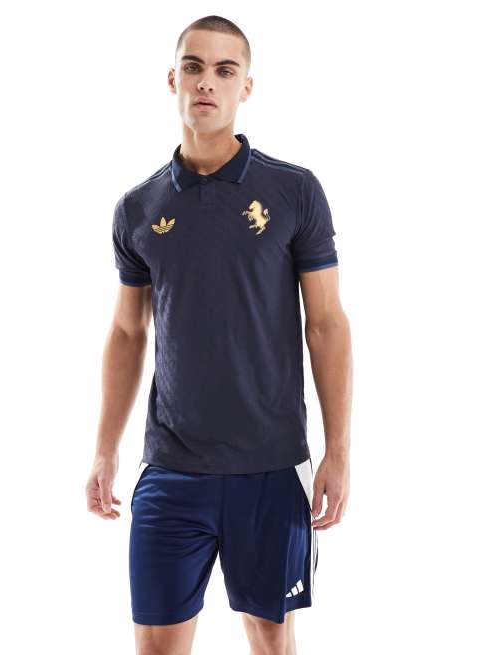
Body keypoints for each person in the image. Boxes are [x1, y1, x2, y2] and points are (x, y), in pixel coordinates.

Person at [86, 14, 352, 655]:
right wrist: (104, 449)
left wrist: (338, 450)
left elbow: (326, 325)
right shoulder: (138, 208)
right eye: (195, 67)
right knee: (156, 646)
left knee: (271, 641)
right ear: (173, 79)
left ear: (246, 87)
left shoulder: (293, 190)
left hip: (269, 466)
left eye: (225, 70)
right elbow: (127, 331)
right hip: (172, 468)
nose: (207, 82)